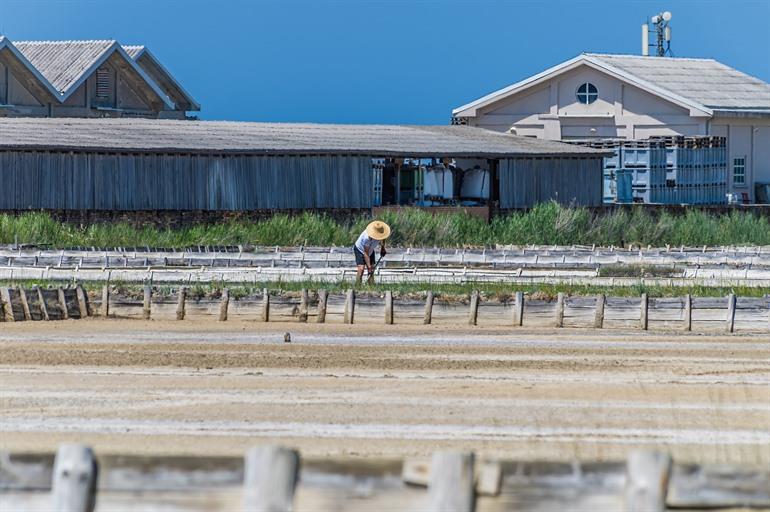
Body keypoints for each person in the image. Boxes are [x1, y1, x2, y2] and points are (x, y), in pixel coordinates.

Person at [354, 220, 390, 285]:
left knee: (372, 269)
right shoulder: (367, 238)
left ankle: (371, 286)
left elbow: (383, 238)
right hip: (360, 250)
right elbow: (366, 253)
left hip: (370, 250)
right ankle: (358, 286)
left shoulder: (382, 232)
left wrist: (382, 248)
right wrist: (369, 266)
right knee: (361, 269)